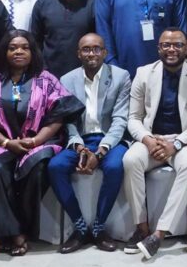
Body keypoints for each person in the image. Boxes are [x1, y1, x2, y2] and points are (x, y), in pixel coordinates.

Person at [0, 30, 84, 256]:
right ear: (4, 52)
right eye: (12, 47)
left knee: (37, 168)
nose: (19, 52)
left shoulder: (46, 79)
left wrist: (35, 141)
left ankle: (24, 229)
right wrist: (7, 143)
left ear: (33, 52)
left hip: (39, 142)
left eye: (25, 47)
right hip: (2, 143)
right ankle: (14, 233)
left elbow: (59, 114)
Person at [122, 28, 187, 260]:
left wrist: (178, 144)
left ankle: (159, 234)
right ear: (159, 48)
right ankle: (142, 228)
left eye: (178, 45)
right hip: (151, 138)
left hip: (184, 140)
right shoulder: (143, 73)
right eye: (166, 45)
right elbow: (133, 117)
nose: (172, 49)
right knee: (130, 160)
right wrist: (147, 139)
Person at [49, 34, 131, 254]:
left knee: (115, 166)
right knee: (55, 166)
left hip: (110, 139)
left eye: (97, 49)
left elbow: (120, 119)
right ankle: (80, 227)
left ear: (105, 53)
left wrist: (101, 151)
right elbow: (68, 120)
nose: (91, 53)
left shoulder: (121, 76)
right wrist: (79, 147)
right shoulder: (67, 80)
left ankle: (98, 227)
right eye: (86, 49)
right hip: (81, 140)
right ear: (78, 54)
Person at [30, 0, 95, 78]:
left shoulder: (91, 5)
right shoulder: (42, 4)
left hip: (83, 75)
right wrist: (42, 70)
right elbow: (35, 42)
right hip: (48, 75)